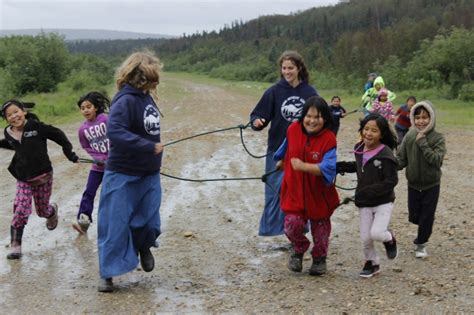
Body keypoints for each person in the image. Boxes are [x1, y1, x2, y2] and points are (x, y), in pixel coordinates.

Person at [97, 51, 164, 293]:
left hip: (149, 173)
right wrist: (148, 146)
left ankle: (143, 246)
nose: (155, 84)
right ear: (139, 77)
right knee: (114, 225)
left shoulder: (147, 98)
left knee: (149, 221)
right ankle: (107, 273)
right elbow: (115, 132)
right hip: (123, 173)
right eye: (151, 79)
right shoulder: (124, 100)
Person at [250, 50, 318, 237]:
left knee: (301, 190)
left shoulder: (309, 92)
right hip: (277, 149)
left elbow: (321, 117)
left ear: (299, 69)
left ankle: (298, 230)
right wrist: (257, 122)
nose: (287, 71)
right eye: (284, 68)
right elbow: (257, 114)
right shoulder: (274, 91)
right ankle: (274, 229)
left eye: (291, 68)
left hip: (303, 149)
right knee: (275, 189)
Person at [0, 100, 78, 259]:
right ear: (6, 119)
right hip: (23, 178)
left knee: (42, 211)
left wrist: (69, 153)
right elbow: (15, 145)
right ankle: (16, 245)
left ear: (24, 111)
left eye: (16, 112)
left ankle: (52, 212)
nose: (14, 116)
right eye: (10, 115)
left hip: (43, 175)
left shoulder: (37, 127)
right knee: (21, 208)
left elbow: (59, 135)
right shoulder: (8, 132)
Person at [274, 96, 339, 275]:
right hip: (294, 190)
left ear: (324, 119)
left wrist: (304, 167)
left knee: (321, 229)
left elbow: (329, 167)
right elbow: (285, 148)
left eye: (317, 117)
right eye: (308, 116)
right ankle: (299, 247)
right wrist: (280, 160)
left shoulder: (329, 139)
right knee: (291, 224)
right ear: (302, 116)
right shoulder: (293, 129)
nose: (312, 121)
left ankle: (319, 259)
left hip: (319, 194)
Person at [336, 114, 398, 278]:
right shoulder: (359, 148)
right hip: (364, 202)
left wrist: (370, 190)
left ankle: (389, 238)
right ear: (361, 130)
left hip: (383, 202)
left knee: (376, 233)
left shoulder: (386, 154)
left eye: (374, 130)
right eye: (366, 129)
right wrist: (339, 166)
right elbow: (359, 167)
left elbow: (391, 181)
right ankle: (372, 263)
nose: (369, 133)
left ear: (382, 134)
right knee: (365, 238)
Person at [396, 101, 446, 258]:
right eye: (417, 117)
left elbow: (436, 160)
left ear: (431, 118)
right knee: (415, 216)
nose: (421, 121)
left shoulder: (438, 138)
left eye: (425, 117)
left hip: (432, 184)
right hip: (413, 184)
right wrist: (387, 165)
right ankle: (422, 226)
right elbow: (401, 159)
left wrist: (423, 142)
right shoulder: (409, 136)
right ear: (412, 118)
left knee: (427, 216)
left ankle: (421, 243)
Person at [72, 91, 110, 235]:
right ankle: (83, 221)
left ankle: (111, 221)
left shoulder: (105, 119)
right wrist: (96, 157)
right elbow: (86, 146)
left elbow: (116, 137)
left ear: (95, 107)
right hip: (97, 167)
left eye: (89, 106)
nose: (86, 110)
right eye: (82, 108)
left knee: (109, 193)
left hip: (113, 166)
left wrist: (110, 156)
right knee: (89, 192)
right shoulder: (82, 129)